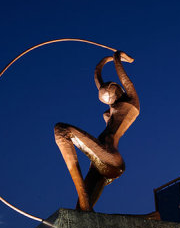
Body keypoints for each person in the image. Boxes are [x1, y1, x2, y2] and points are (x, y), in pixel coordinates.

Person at [54, 51, 140, 211]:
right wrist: (103, 63)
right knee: (81, 213)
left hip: (109, 157)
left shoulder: (132, 104)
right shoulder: (114, 108)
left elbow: (125, 81)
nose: (110, 99)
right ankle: (150, 217)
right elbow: (98, 78)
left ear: (117, 89)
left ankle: (83, 197)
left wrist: (117, 58)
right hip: (102, 162)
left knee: (62, 130)